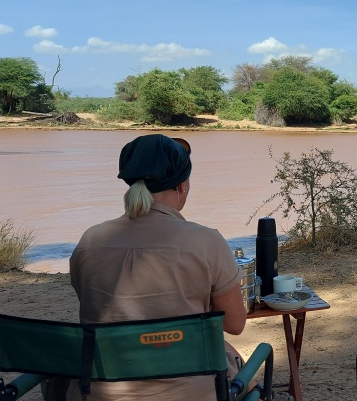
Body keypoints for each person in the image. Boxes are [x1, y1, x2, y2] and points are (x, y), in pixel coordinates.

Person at [64, 134, 247, 400]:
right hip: (192, 393)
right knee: (234, 358)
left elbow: (101, 306)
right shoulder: (206, 241)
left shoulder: (90, 240)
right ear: (182, 186)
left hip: (100, 391)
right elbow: (235, 323)